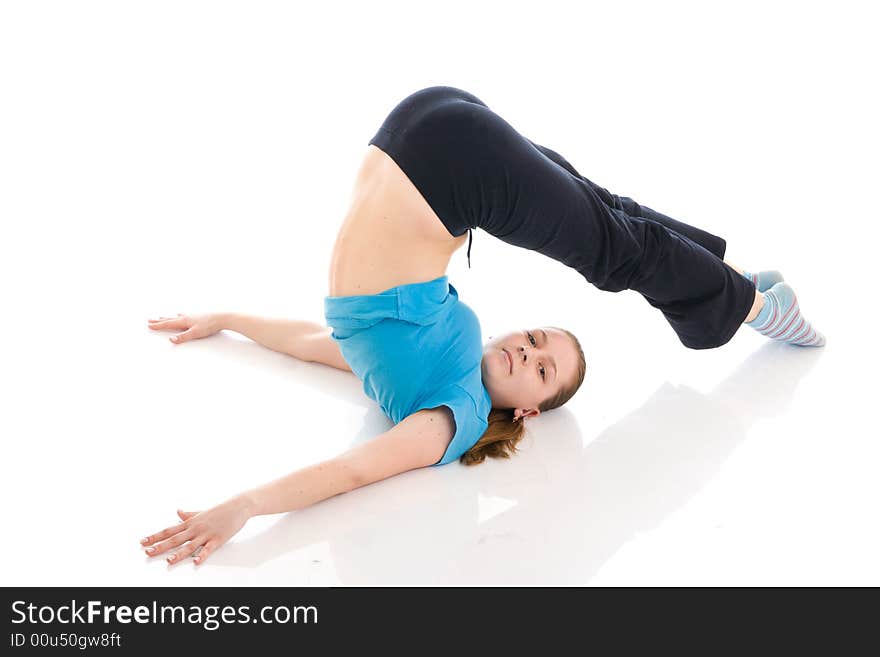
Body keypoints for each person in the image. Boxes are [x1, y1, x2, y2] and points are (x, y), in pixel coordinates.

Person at [140, 86, 825, 566]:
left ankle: (743, 304)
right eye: (535, 342)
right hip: (442, 148)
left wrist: (244, 502)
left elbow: (349, 460)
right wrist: (227, 320)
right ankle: (735, 288)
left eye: (541, 364)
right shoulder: (440, 374)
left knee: (614, 243)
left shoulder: (450, 414)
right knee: (605, 215)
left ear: (527, 408)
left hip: (428, 148)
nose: (526, 349)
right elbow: (320, 351)